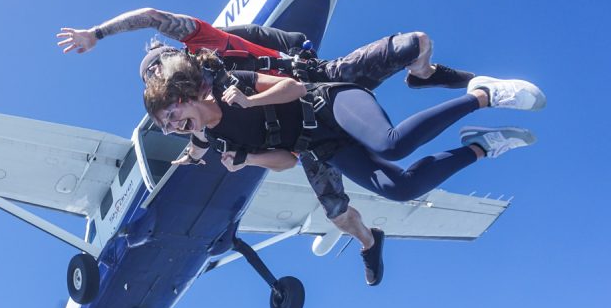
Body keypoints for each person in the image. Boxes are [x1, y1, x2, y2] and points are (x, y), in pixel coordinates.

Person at [58, 8, 479, 285]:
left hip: (313, 82)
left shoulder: (204, 46)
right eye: (151, 81)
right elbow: (211, 143)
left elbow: (164, 18)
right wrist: (205, 155)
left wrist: (96, 33)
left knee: (414, 45)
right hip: (304, 135)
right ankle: (370, 241)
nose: (158, 78)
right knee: (339, 212)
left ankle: (426, 75)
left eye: (158, 70)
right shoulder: (199, 119)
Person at [141, 50, 543, 281]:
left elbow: (294, 88)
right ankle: (480, 146)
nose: (174, 127)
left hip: (328, 103)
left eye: (171, 116)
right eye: (166, 128)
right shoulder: (217, 140)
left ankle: (484, 94)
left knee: (393, 143)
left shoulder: (233, 84)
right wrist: (247, 159)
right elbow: (285, 160)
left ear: (182, 96)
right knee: (399, 188)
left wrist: (251, 101)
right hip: (320, 142)